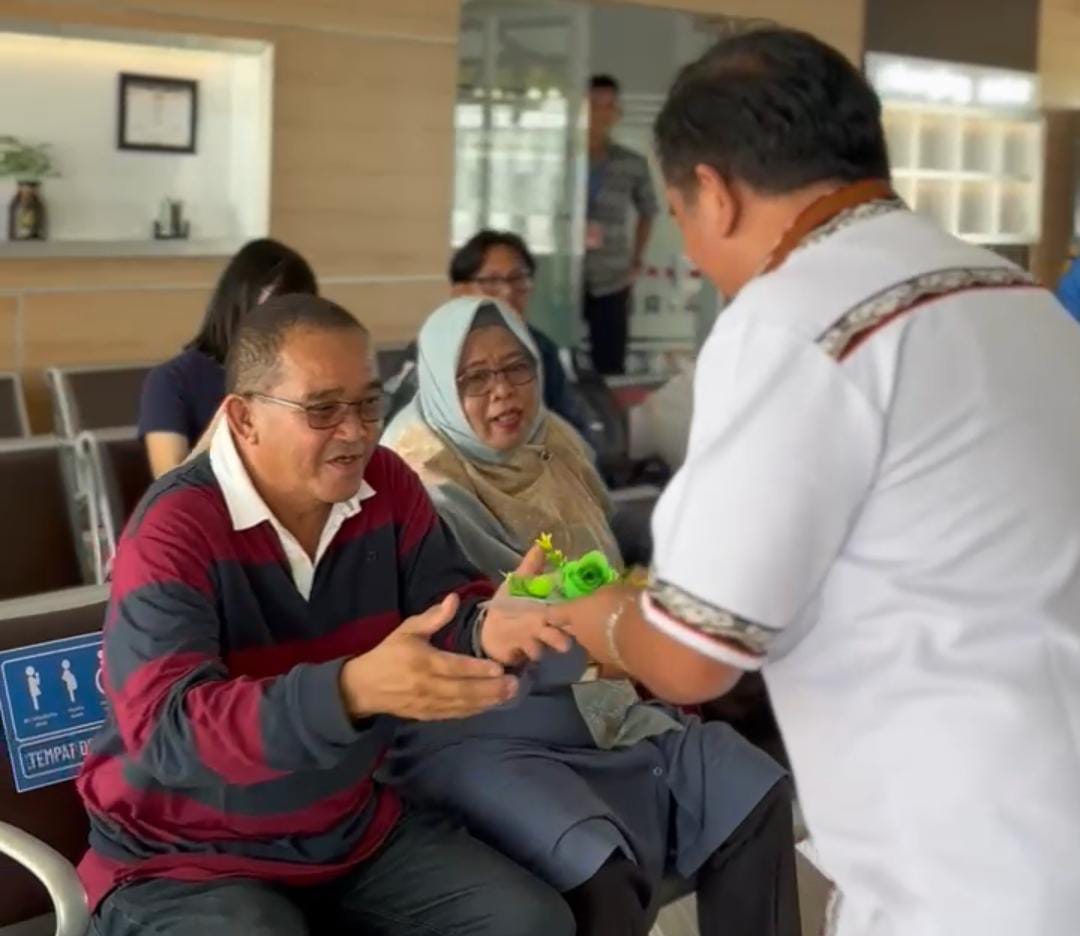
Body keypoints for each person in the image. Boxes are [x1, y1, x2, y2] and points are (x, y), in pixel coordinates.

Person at [559, 28, 1080, 936]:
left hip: (971, 864)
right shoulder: (1014, 295)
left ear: (713, 195)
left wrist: (589, 616)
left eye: (680, 222)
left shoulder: (792, 321)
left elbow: (691, 654)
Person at [77, 293, 579, 936]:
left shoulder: (388, 486)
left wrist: (487, 628)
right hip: (181, 861)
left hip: (345, 833)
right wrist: (348, 691)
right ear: (245, 418)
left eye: (370, 403)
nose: (357, 431)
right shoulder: (174, 531)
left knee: (529, 923)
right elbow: (169, 733)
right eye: (323, 410)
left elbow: (444, 614)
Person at [382, 296, 799, 936]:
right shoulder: (415, 479)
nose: (503, 393)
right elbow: (466, 630)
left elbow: (604, 554)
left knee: (751, 789)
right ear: (439, 384)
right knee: (596, 862)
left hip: (598, 696)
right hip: (489, 725)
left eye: (516, 368)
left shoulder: (553, 443)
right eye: (474, 378)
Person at [138, 238, 317, 478]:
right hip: (213, 511)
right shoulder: (172, 380)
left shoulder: (303, 375)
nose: (289, 326)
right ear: (238, 303)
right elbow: (169, 487)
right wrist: (237, 418)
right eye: (277, 309)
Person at [450, 230, 594, 438]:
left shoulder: (541, 349)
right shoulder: (438, 351)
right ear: (460, 291)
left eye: (517, 279)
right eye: (491, 281)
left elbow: (572, 430)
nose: (507, 291)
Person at [584, 74, 658, 375]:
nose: (601, 113)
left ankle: (608, 416)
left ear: (617, 113)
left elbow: (649, 209)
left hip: (611, 272)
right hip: (560, 274)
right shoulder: (561, 156)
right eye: (594, 105)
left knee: (610, 358)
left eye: (608, 106)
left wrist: (636, 260)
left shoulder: (632, 162)